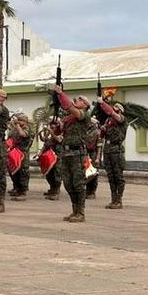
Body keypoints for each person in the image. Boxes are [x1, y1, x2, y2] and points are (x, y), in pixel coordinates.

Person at [51, 85, 92, 223]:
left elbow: (69, 107)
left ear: (85, 105)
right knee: (68, 184)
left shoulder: (84, 115)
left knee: (78, 183)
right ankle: (74, 210)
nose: (77, 100)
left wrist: (61, 93)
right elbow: (59, 133)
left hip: (77, 154)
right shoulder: (69, 119)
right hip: (66, 153)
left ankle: (81, 212)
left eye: (81, 100)